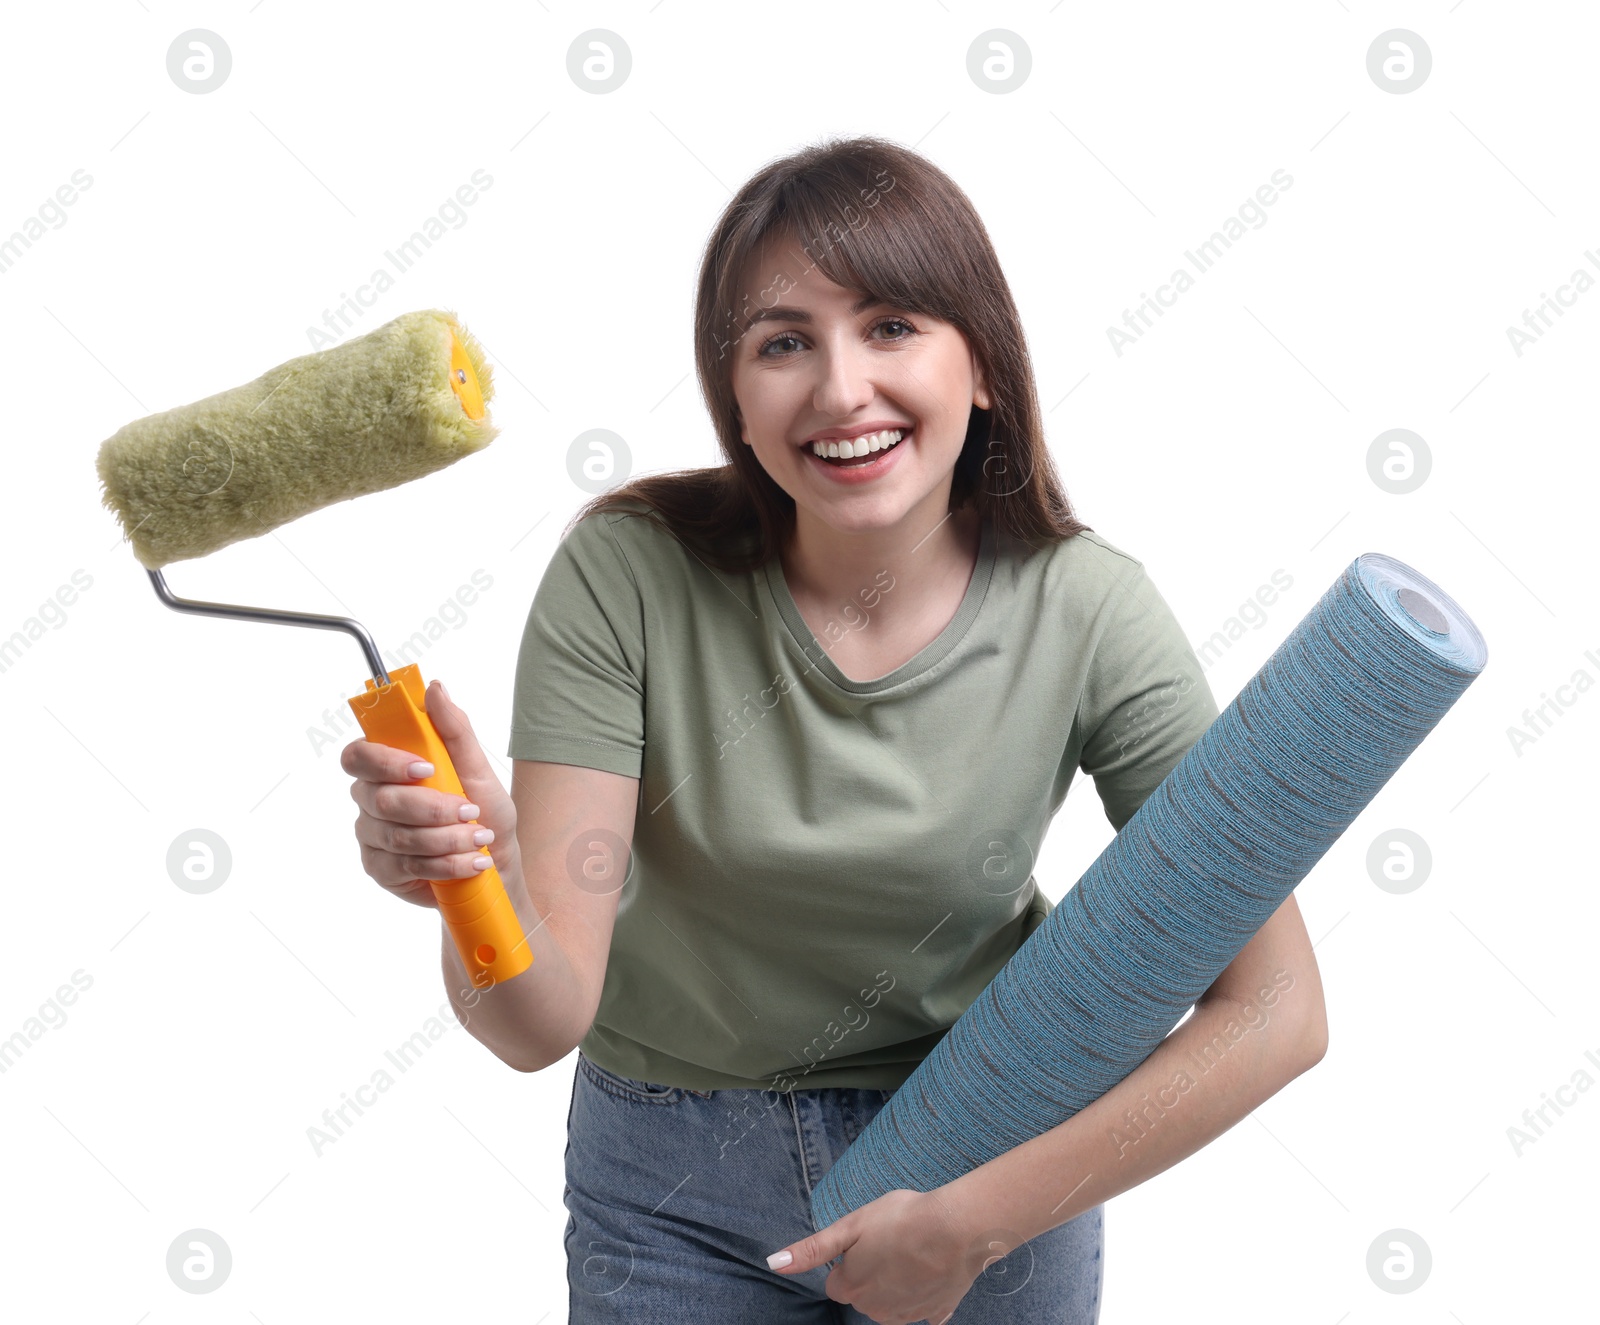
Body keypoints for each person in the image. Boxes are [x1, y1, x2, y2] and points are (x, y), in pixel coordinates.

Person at [343, 134, 1327, 1324]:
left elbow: (1277, 1007)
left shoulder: (1087, 609)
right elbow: (536, 1022)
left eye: (893, 324)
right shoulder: (628, 574)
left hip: (988, 1152)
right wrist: (480, 880)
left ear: (983, 368)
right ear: (736, 402)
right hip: (670, 1188)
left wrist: (978, 1216)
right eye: (782, 342)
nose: (840, 387)